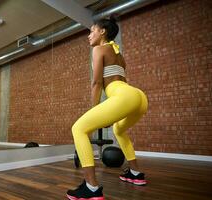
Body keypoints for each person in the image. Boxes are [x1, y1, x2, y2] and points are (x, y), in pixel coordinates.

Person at [66, 16, 148, 200]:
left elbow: (96, 82)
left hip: (123, 96)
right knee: (119, 130)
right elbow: (120, 82)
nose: (89, 36)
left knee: (78, 128)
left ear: (102, 31)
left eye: (91, 31)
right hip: (139, 97)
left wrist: (93, 110)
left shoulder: (99, 49)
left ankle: (91, 188)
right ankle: (135, 173)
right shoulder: (118, 54)